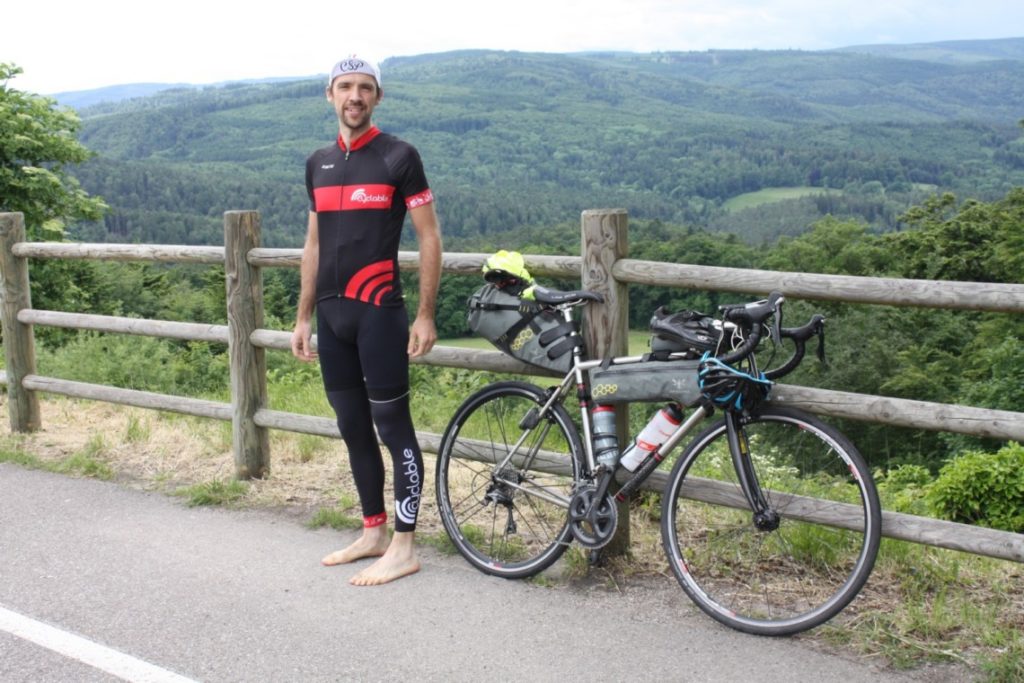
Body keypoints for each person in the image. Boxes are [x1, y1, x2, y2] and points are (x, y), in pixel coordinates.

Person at [291, 55, 442, 586]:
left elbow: (428, 238)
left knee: (392, 426)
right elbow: (313, 244)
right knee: (352, 427)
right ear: (329, 95)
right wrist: (303, 314)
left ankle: (404, 545)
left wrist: (425, 315)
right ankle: (373, 531)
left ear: (377, 97)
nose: (354, 96)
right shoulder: (317, 162)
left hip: (379, 312)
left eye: (365, 87)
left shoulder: (398, 156)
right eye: (345, 86)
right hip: (331, 318)